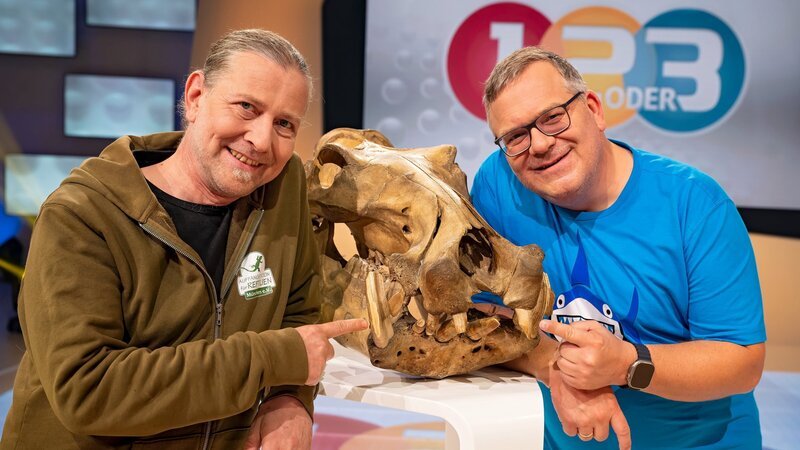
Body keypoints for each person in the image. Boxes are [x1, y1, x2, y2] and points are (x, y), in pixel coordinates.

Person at [0, 29, 367, 449]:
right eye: (246, 107)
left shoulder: (283, 192)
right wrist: (272, 359)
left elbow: (298, 311)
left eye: (284, 124)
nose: (262, 141)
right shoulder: (82, 215)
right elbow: (88, 391)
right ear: (195, 97)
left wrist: (290, 400)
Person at [471, 46, 766, 449]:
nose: (538, 145)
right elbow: (479, 315)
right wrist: (555, 365)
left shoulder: (694, 204)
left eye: (552, 118)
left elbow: (741, 362)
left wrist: (628, 364)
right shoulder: (499, 185)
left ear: (593, 110)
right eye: (515, 136)